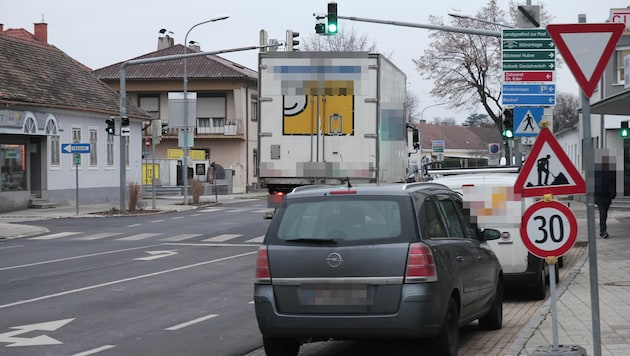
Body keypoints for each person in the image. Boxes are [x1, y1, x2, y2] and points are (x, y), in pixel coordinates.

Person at [594, 154, 617, 239]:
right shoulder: (596, 171)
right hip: (600, 196)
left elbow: (614, 183)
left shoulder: (611, 171)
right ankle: (603, 231)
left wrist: (613, 194)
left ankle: (602, 230)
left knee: (604, 213)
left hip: (607, 196)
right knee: (603, 213)